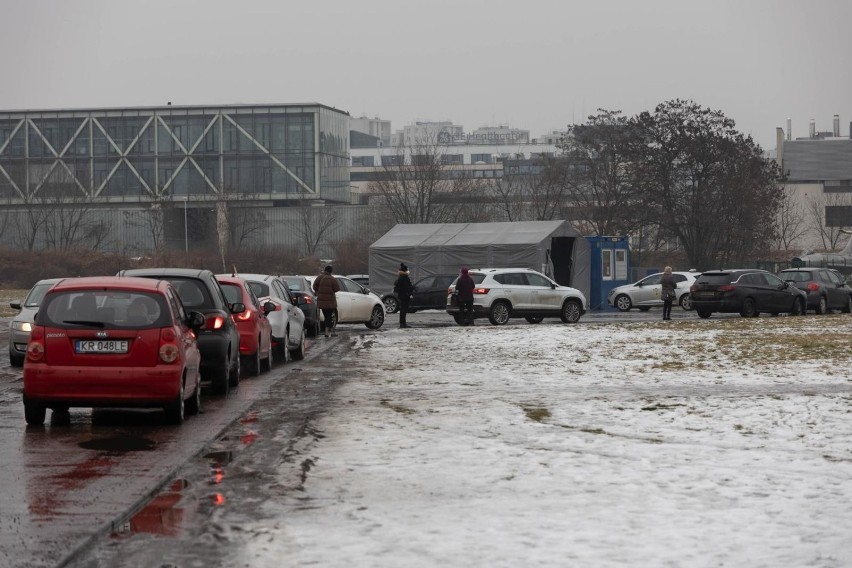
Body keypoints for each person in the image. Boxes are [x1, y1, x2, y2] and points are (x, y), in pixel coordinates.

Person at [313, 265, 341, 337]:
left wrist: (319, 292)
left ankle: (328, 331)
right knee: (330, 316)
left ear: (325, 270)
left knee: (326, 315)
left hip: (321, 300)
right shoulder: (332, 279)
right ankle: (328, 331)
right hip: (330, 301)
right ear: (331, 271)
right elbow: (337, 288)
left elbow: (314, 286)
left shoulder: (319, 277)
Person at [394, 263, 413, 328]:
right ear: (405, 270)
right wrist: (409, 294)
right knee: (403, 310)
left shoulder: (401, 277)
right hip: (405, 296)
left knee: (403, 309)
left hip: (402, 296)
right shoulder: (405, 278)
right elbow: (406, 288)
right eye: (407, 269)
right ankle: (403, 324)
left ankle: (402, 323)